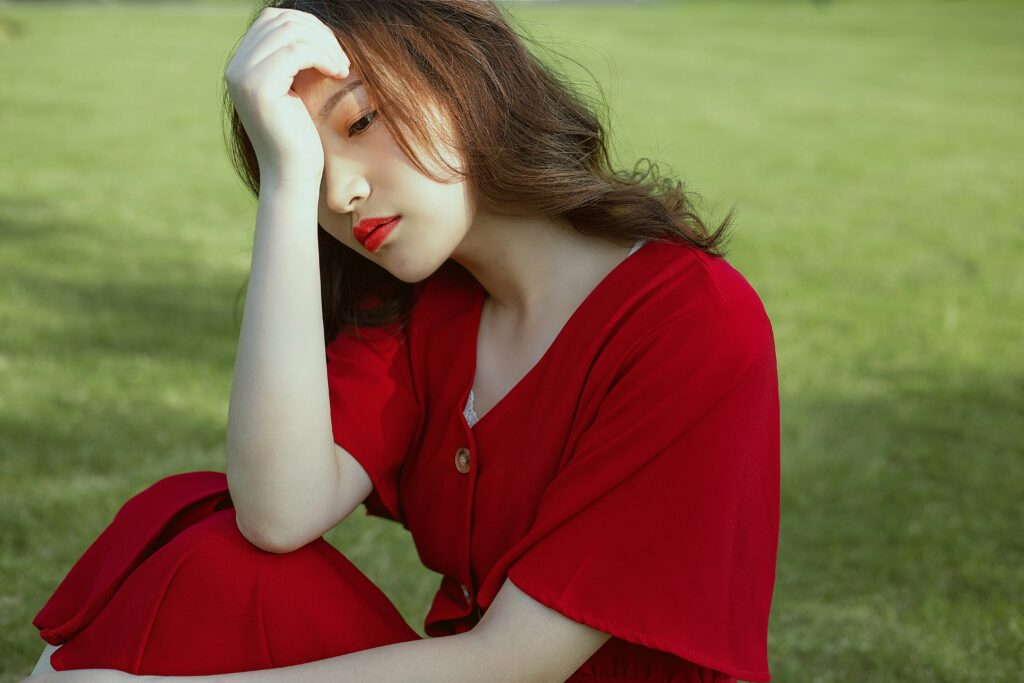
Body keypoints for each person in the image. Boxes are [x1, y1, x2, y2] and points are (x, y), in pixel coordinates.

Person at [25, 1, 780, 681]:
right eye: (312, 167)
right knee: (210, 546)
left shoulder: (690, 321)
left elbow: (516, 662)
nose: (340, 194)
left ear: (463, 73)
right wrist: (285, 186)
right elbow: (277, 513)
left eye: (359, 124)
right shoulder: (424, 305)